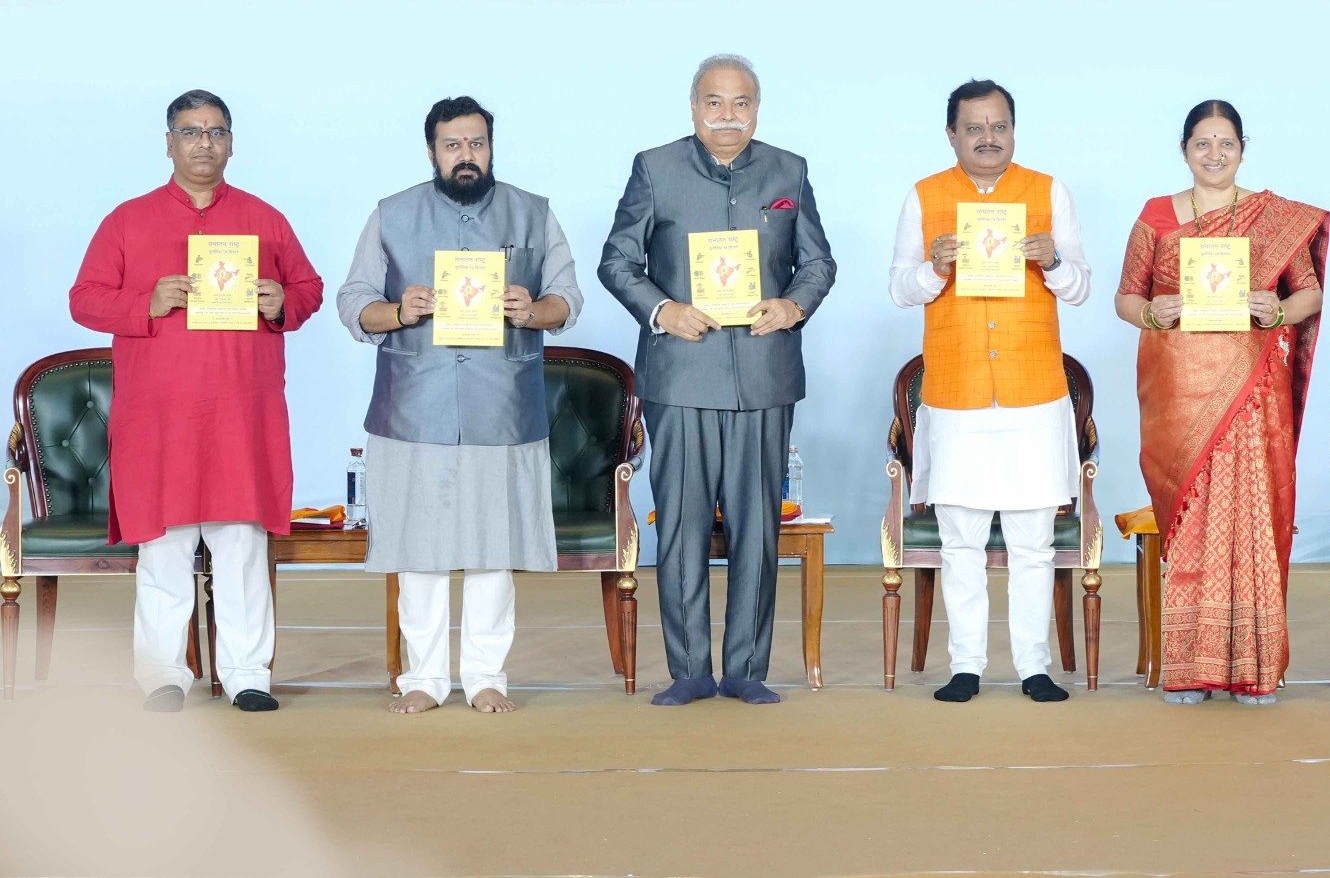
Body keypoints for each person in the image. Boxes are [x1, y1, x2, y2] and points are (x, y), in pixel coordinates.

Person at [68, 89, 324, 712]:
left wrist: (282, 301)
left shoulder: (265, 218)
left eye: (215, 131)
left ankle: (247, 675)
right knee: (165, 547)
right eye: (190, 131)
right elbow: (84, 299)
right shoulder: (127, 220)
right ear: (169, 143)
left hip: (242, 411)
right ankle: (164, 676)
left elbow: (309, 287)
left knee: (241, 543)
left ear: (231, 143)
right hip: (160, 417)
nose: (204, 143)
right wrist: (146, 302)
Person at [598, 54, 836, 705]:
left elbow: (818, 263)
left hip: (764, 374)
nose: (727, 115)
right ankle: (689, 672)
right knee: (681, 524)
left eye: (741, 103)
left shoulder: (789, 171)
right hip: (680, 374)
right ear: (694, 107)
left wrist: (793, 305)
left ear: (756, 109)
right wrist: (662, 310)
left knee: (758, 527)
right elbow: (617, 260)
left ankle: (746, 671)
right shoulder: (656, 168)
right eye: (714, 102)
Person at [336, 96, 583, 714]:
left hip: (503, 405)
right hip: (413, 405)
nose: (466, 155)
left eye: (477, 143)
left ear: (491, 147)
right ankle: (422, 678)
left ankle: (485, 675)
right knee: (417, 548)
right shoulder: (392, 214)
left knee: (493, 548)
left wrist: (533, 310)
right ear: (432, 151)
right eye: (453, 145)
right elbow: (353, 302)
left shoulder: (533, 212)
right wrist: (399, 311)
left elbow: (568, 298)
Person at [1114, 100, 1328, 706]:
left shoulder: (1273, 218)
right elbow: (1126, 298)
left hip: (1252, 393)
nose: (1214, 154)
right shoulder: (1156, 215)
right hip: (1180, 390)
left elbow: (1310, 295)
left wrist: (1278, 310)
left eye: (1226, 143)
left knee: (1250, 515)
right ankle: (1190, 668)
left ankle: (1252, 667)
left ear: (1242, 149)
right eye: (1202, 143)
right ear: (1184, 150)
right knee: (1193, 518)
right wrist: (1154, 311)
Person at [888, 79, 1090, 703]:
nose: (987, 138)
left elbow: (1080, 287)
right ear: (951, 134)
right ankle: (966, 667)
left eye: (998, 126)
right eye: (973, 127)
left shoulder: (1048, 191)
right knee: (961, 542)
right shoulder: (925, 195)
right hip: (958, 394)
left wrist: (1053, 262)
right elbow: (900, 288)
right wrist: (934, 268)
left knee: (1033, 543)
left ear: (1013, 131)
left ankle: (1034, 667)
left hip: (1033, 395)